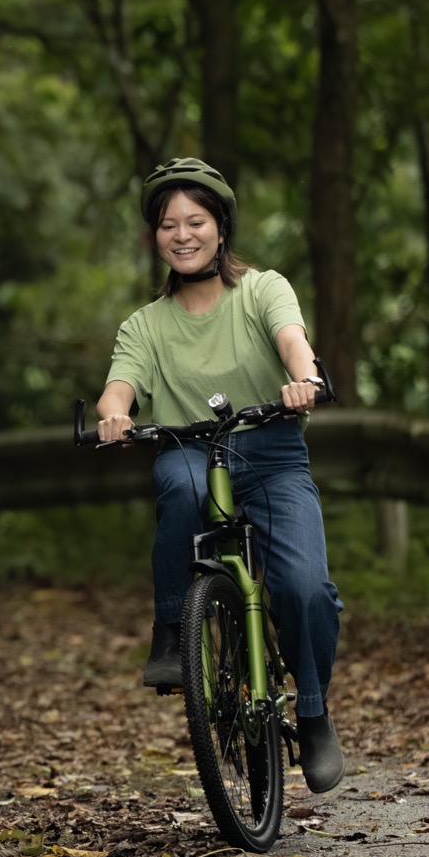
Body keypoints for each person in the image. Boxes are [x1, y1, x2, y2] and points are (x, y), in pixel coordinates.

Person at [94, 157, 346, 795]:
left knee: (305, 589)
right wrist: (116, 416)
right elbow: (118, 389)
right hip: (190, 450)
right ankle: (173, 632)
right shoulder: (145, 325)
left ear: (221, 227)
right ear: (155, 235)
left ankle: (312, 712)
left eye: (196, 221)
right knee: (179, 487)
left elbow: (293, 341)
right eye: (168, 224)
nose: (182, 234)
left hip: (272, 453)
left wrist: (305, 378)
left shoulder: (263, 289)